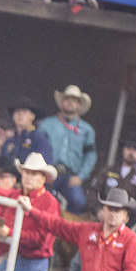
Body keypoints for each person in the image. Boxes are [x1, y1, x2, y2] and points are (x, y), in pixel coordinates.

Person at [38, 84, 97, 213]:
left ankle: (64, 231)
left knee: (78, 201)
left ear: (79, 105)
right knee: (42, 200)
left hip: (70, 176)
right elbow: (38, 148)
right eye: (67, 99)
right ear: (61, 102)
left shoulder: (87, 130)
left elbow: (91, 156)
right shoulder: (47, 124)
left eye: (74, 100)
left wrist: (80, 176)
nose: (70, 102)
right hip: (48, 172)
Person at [85, 130, 136, 214]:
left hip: (130, 222)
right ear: (123, 150)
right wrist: (99, 211)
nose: (131, 152)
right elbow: (93, 192)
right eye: (128, 148)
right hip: (102, 216)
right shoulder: (108, 170)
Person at [0, 96, 53, 171]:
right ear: (13, 116)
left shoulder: (40, 139)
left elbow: (44, 166)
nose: (20, 114)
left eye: (24, 111)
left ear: (32, 116)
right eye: (17, 111)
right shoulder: (9, 141)